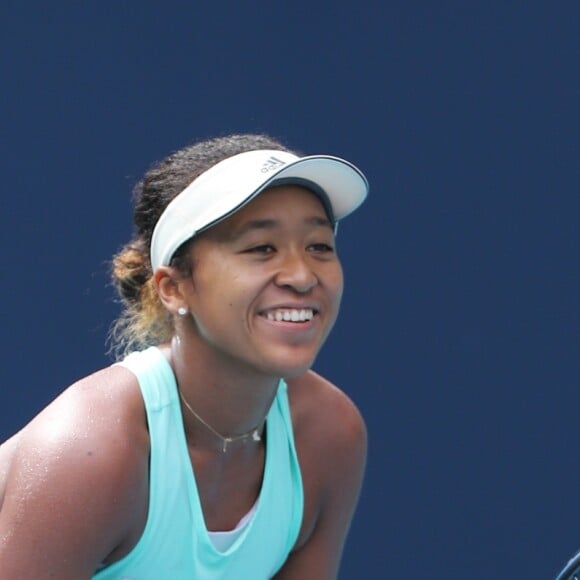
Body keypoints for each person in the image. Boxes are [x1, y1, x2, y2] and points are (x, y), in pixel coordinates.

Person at [0, 133, 369, 579]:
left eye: (319, 247)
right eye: (261, 248)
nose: (301, 275)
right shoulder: (91, 452)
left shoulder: (328, 436)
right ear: (174, 288)